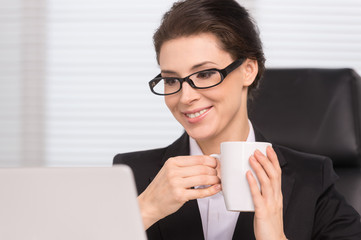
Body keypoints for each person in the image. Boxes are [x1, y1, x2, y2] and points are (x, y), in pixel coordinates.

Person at [114, 0, 361, 239]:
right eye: (171, 80)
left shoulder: (312, 178)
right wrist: (144, 210)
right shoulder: (131, 175)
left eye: (205, 74)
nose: (185, 97)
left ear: (248, 70)